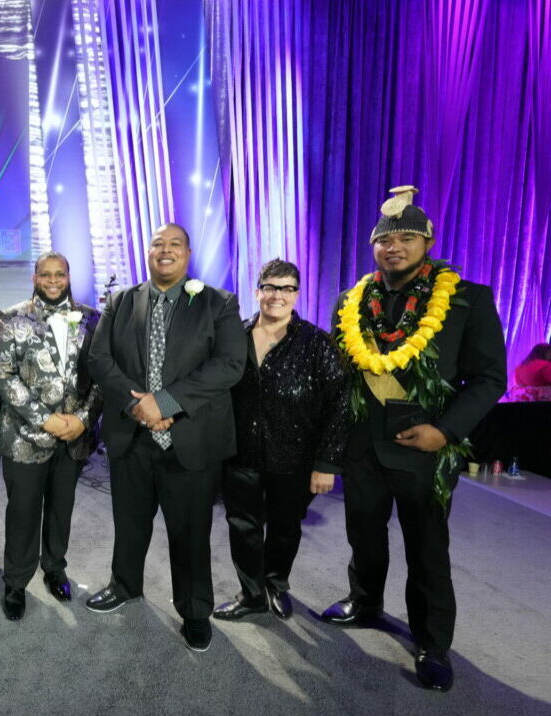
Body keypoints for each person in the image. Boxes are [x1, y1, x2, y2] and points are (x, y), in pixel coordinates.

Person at [322, 186, 507, 691]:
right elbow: (343, 375)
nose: (393, 246)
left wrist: (444, 432)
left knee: (427, 550)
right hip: (363, 450)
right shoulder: (351, 300)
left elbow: (491, 379)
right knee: (364, 534)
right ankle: (364, 601)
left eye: (406, 237)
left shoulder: (467, 300)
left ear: (428, 241)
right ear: (373, 247)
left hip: (423, 449)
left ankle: (431, 641)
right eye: (384, 239)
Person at [85, 222, 246, 652]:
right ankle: (125, 585)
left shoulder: (219, 302)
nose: (166, 250)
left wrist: (167, 402)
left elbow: (230, 364)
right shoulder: (121, 301)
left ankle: (195, 611)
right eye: (158, 244)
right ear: (148, 252)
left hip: (190, 439)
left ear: (188, 254)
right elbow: (99, 358)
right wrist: (139, 405)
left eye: (175, 244)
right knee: (129, 523)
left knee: (191, 533)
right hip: (131, 437)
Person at [213, 259, 349, 623]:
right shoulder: (234, 338)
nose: (277, 295)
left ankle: (276, 584)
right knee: (242, 526)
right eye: (270, 287)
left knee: (285, 527)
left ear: (297, 295)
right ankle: (252, 594)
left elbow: (340, 404)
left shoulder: (317, 343)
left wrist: (326, 463)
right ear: (257, 292)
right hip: (240, 452)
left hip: (295, 456)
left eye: (286, 288)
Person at [0, 252, 102, 621]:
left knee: (61, 507)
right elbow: (3, 375)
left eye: (60, 274)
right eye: (45, 274)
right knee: (22, 511)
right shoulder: (12, 316)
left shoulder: (91, 318)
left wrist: (83, 420)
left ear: (69, 276)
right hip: (24, 435)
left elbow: (102, 376)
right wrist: (47, 420)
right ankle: (17, 582)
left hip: (73, 437)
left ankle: (55, 568)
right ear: (35, 277)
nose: (53, 280)